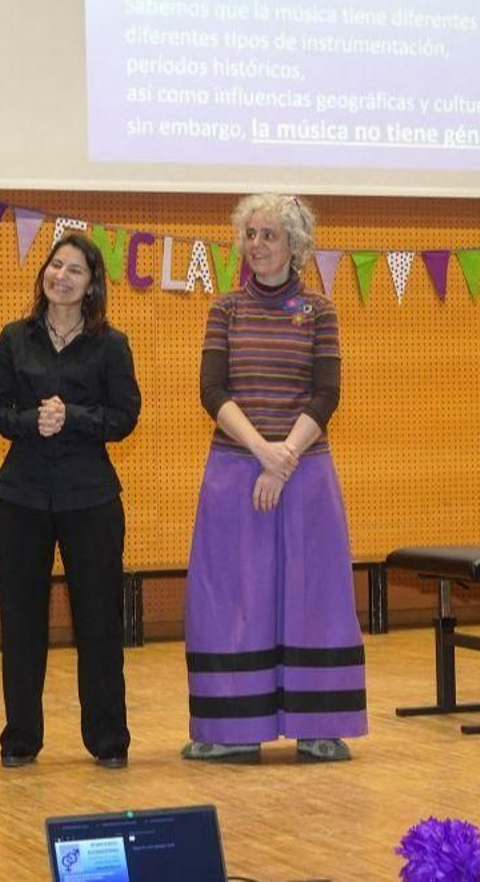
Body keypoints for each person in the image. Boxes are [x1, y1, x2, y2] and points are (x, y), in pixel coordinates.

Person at [181, 194, 367, 764]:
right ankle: (231, 728)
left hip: (305, 471)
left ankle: (319, 725)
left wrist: (285, 457)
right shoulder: (225, 309)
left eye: (269, 235)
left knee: (314, 593)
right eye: (250, 234)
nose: (256, 245)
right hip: (235, 469)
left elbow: (326, 393)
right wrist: (264, 451)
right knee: (231, 594)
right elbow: (212, 390)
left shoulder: (320, 311)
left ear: (295, 245)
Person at [0, 232, 141, 770]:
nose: (62, 276)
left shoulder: (111, 345)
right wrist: (34, 420)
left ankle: (108, 739)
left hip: (90, 497)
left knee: (99, 622)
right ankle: (20, 739)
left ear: (92, 284)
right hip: (20, 496)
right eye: (56, 265)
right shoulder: (14, 337)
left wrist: (72, 417)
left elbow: (125, 416)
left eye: (75, 270)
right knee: (21, 624)